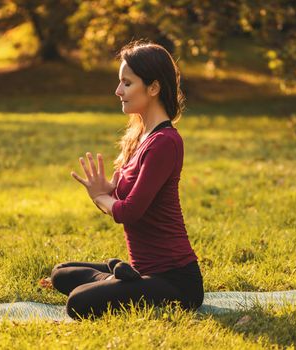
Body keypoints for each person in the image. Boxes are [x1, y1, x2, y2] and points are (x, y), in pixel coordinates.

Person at [50, 40, 204, 320]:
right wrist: (108, 190)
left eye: (127, 83)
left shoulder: (165, 142)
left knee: (78, 303)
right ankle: (121, 278)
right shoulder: (140, 137)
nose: (118, 91)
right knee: (61, 273)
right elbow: (124, 198)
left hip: (176, 281)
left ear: (153, 87)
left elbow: (130, 211)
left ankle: (120, 280)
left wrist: (101, 197)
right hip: (146, 270)